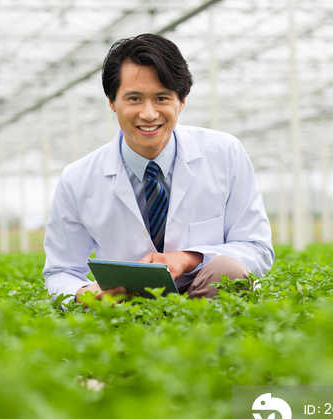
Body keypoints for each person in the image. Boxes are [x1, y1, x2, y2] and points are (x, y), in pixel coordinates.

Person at [43, 34, 274, 303]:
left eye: (162, 98)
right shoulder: (78, 178)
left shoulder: (225, 153)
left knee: (228, 270)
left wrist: (187, 259)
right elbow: (62, 270)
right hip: (125, 305)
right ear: (112, 102)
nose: (149, 114)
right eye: (134, 99)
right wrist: (82, 295)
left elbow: (256, 247)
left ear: (182, 101)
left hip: (209, 297)